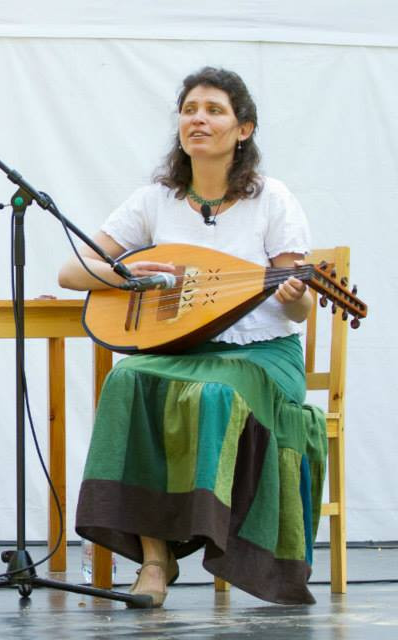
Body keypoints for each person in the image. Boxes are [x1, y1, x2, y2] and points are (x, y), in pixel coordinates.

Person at [58, 67, 326, 607]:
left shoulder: (272, 200)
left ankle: (212, 538)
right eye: (189, 109)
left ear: (243, 128)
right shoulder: (156, 199)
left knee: (214, 394)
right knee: (127, 379)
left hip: (261, 356)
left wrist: (296, 292)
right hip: (179, 349)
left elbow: (297, 311)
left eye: (214, 110)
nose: (198, 119)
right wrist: (135, 273)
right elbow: (72, 271)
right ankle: (154, 561)